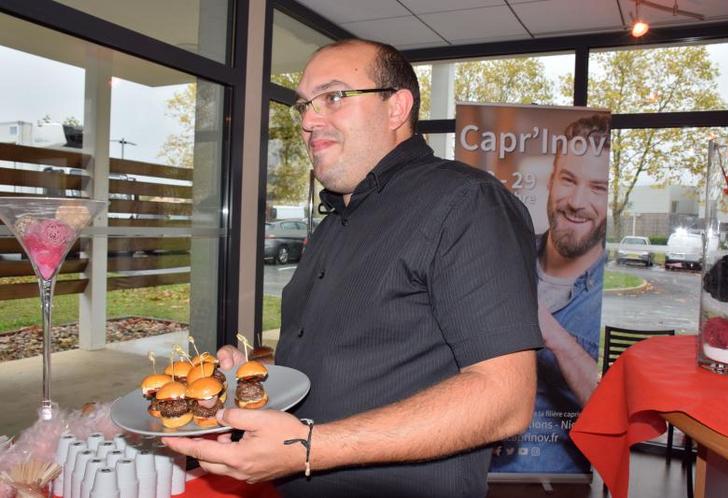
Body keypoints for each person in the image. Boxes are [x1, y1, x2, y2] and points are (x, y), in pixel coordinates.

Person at [164, 38, 544, 498]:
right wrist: (254, 378)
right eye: (304, 104)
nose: (308, 120)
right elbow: (349, 358)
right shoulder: (334, 222)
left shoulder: (466, 203)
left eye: (334, 96)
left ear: (396, 107)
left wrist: (309, 448)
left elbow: (505, 399)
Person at [494, 115, 610, 474]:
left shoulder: (605, 296)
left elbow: (611, 412)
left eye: (597, 187)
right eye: (569, 180)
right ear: (551, 181)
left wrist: (554, 336)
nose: (576, 202)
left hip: (556, 480)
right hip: (472, 466)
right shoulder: (505, 256)